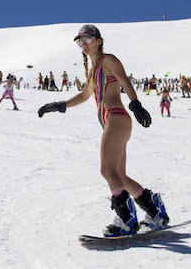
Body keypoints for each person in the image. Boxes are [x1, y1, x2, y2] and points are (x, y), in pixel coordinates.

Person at [37, 25, 168, 238]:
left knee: (107, 171)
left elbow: (124, 80)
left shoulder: (108, 60)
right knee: (119, 175)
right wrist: (58, 104)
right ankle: (154, 210)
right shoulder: (93, 70)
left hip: (116, 118)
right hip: (113, 121)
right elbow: (83, 96)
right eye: (80, 42)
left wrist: (136, 104)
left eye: (87, 40)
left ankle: (126, 220)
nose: (84, 45)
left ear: (98, 40)